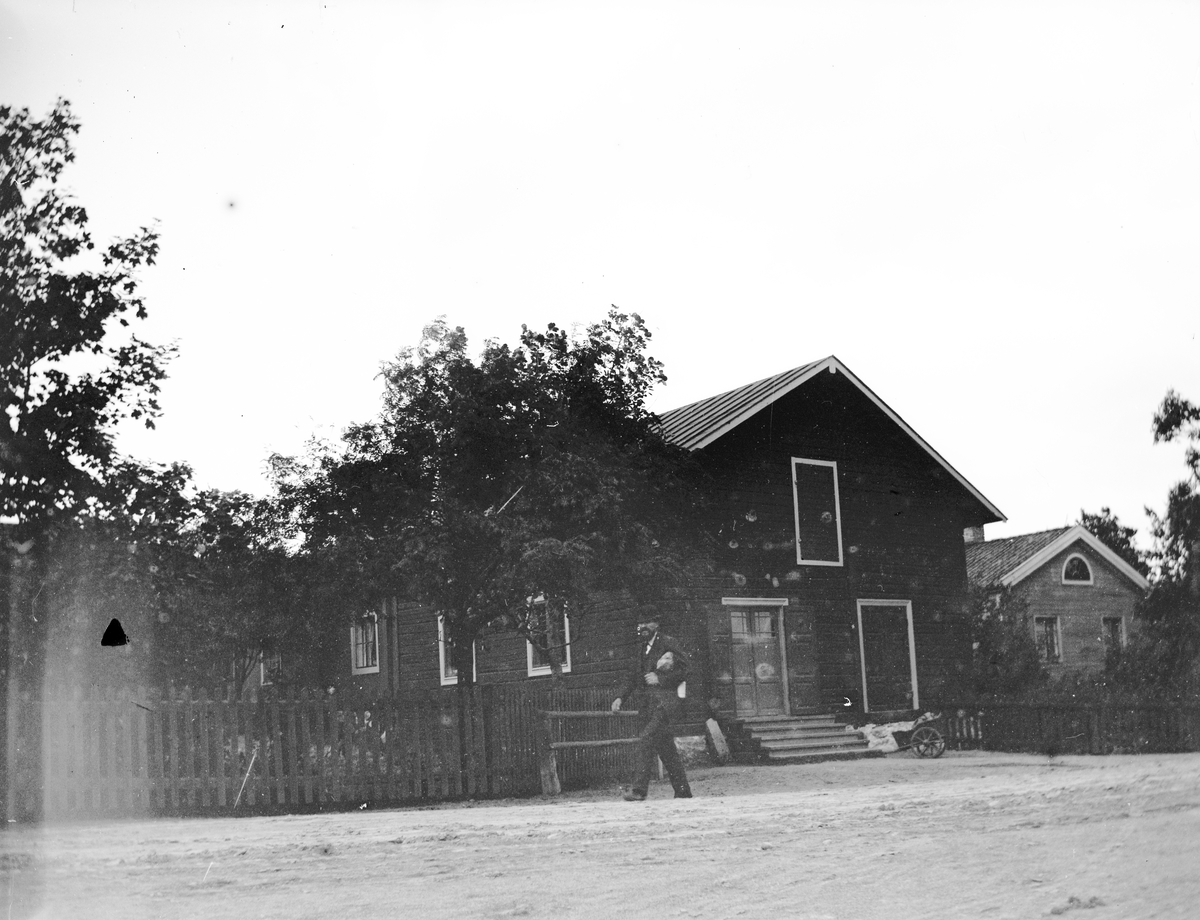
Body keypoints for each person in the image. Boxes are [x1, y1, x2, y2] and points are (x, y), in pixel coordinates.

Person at [611, 616, 693, 801]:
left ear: (657, 624)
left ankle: (639, 790)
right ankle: (683, 791)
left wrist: (660, 679)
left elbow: (687, 670)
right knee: (666, 749)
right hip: (648, 707)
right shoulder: (641, 648)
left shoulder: (668, 642)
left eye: (647, 622)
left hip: (666, 704)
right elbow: (632, 677)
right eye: (640, 623)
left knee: (646, 738)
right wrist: (619, 697)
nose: (643, 626)